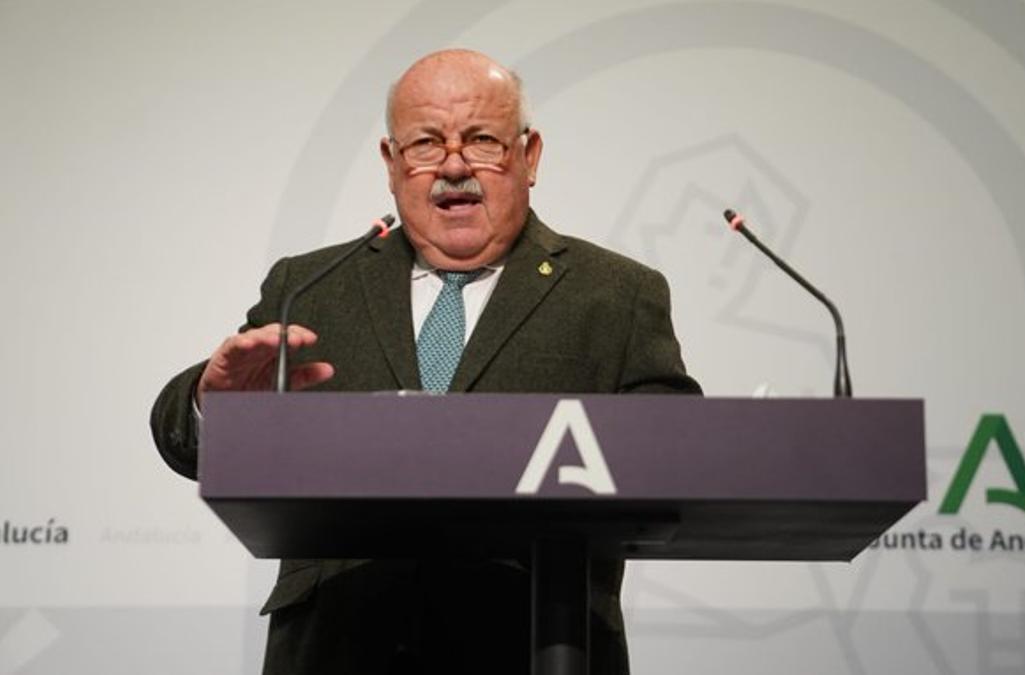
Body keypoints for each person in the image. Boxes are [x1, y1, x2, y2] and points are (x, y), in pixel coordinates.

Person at [150, 48, 701, 674]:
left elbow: (674, 452)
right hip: (339, 646)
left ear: (530, 155)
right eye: (426, 144)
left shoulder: (614, 293)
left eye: (483, 141)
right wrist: (211, 405)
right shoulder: (311, 285)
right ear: (391, 163)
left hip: (535, 642)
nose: (455, 166)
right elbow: (189, 441)